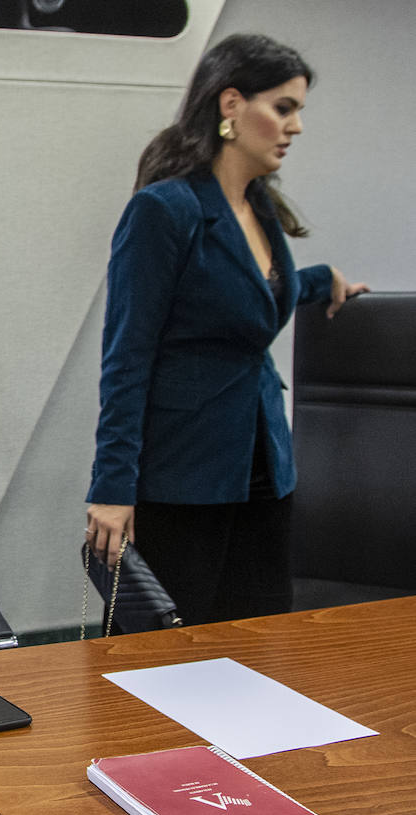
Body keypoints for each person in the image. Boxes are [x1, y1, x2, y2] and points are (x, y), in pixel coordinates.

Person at [85, 34, 368, 626]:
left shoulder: (260, 206)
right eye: (283, 108)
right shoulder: (164, 210)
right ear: (231, 105)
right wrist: (112, 487)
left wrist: (319, 280)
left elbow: (246, 300)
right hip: (184, 473)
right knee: (169, 658)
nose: (294, 127)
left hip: (264, 467)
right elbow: (126, 357)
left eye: (298, 112)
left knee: (260, 639)